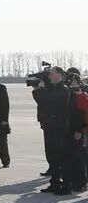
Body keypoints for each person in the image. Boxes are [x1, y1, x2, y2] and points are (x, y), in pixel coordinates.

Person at [33, 66, 73, 195]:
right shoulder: (53, 88)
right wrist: (38, 89)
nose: (49, 76)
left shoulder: (63, 89)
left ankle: (66, 186)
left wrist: (40, 89)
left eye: (52, 74)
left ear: (59, 75)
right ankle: (54, 183)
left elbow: (48, 101)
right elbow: (43, 102)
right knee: (53, 157)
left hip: (59, 128)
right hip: (50, 127)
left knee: (62, 158)